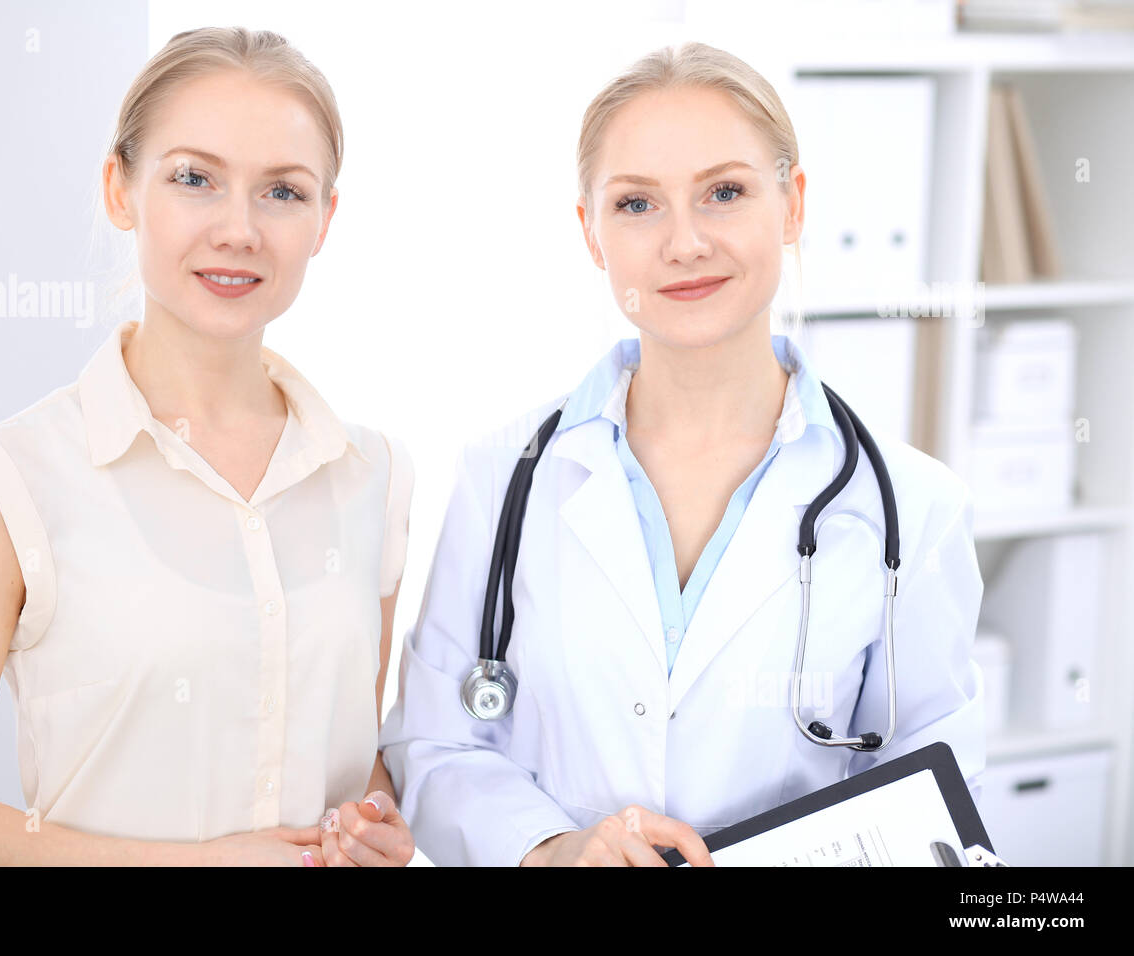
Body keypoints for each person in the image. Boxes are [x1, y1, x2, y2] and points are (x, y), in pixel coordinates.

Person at [378, 42, 985, 867]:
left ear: (793, 206)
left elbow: (938, 797)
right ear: (591, 233)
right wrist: (553, 849)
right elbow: (433, 745)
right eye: (636, 204)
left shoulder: (913, 508)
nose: (686, 242)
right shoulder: (505, 475)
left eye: (725, 193)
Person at [0, 26, 415, 867]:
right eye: (194, 179)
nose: (239, 229)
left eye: (284, 192)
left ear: (325, 219)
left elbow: (348, 755)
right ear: (120, 189)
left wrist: (374, 822)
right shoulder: (5, 482)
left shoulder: (371, 475)